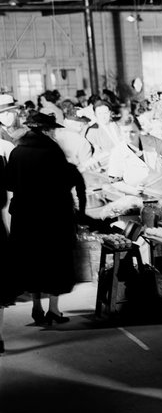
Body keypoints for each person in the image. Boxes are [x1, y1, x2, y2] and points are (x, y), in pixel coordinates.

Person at [6, 112, 83, 326]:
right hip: (52, 217)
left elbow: (9, 184)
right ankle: (54, 310)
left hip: (24, 216)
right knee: (54, 261)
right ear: (46, 130)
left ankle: (36, 307)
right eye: (52, 129)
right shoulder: (53, 152)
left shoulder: (17, 152)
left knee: (31, 261)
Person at [107, 114, 162, 195]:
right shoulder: (117, 152)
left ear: (139, 130)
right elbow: (114, 181)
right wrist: (133, 190)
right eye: (125, 132)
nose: (129, 136)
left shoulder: (151, 141)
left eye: (132, 132)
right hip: (138, 198)